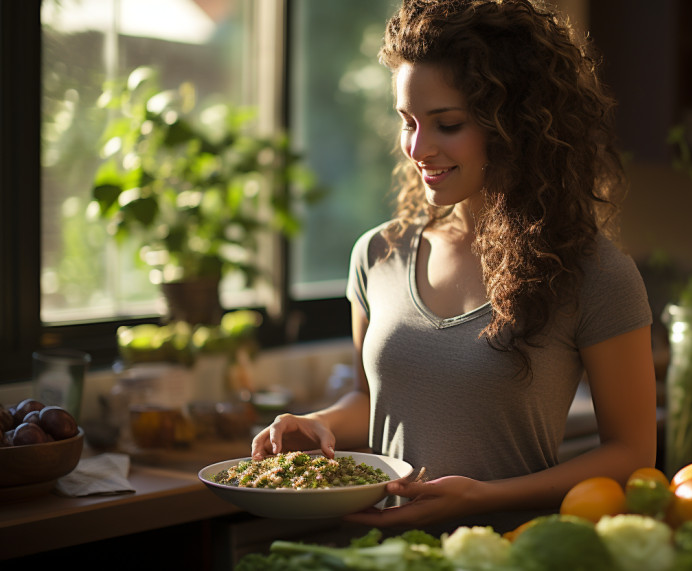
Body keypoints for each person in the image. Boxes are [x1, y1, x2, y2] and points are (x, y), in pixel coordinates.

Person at [251, 0, 657, 530]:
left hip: (507, 553)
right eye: (407, 122)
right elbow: (372, 399)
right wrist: (317, 423)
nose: (418, 148)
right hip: (382, 558)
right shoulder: (378, 253)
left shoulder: (593, 274)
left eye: (447, 124)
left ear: (516, 124)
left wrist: (481, 498)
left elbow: (632, 455)